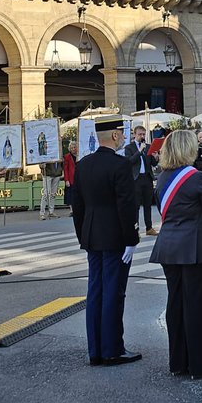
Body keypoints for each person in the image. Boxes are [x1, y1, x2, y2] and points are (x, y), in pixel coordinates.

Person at [150, 129, 202, 379]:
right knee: (199, 307)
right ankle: (200, 365)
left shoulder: (162, 178)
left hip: (168, 247)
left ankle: (178, 363)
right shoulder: (197, 178)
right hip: (196, 248)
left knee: (176, 303)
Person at [70, 115, 141, 366]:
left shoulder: (84, 164)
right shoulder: (120, 165)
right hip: (115, 237)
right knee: (114, 292)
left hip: (92, 235)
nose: (123, 137)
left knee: (95, 291)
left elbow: (76, 206)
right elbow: (126, 206)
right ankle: (113, 349)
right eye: (122, 133)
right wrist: (132, 238)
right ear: (114, 135)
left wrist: (83, 234)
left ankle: (96, 350)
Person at [124, 125, 158, 236]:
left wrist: (156, 157)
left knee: (148, 204)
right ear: (134, 135)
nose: (142, 136)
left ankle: (149, 228)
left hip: (147, 178)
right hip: (136, 179)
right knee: (136, 206)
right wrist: (139, 151)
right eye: (140, 134)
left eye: (144, 134)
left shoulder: (148, 146)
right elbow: (129, 162)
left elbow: (153, 163)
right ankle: (135, 229)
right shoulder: (129, 148)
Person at [62, 138, 77, 211]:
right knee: (70, 195)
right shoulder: (67, 156)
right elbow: (65, 169)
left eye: (74, 147)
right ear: (69, 148)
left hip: (79, 178)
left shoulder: (80, 155)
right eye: (72, 148)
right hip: (70, 178)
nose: (73, 149)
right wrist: (66, 180)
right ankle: (71, 210)